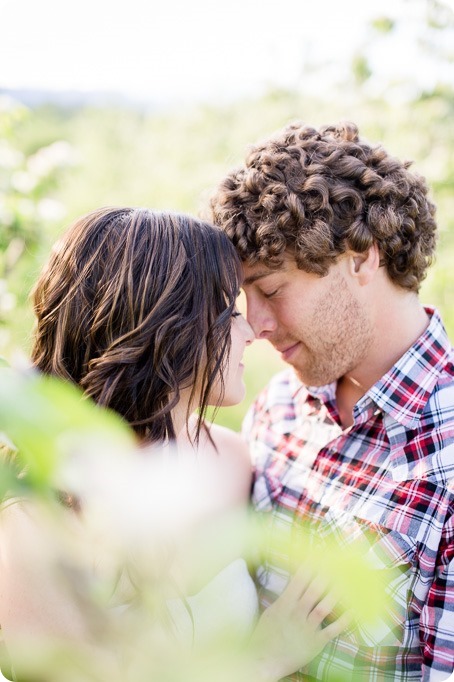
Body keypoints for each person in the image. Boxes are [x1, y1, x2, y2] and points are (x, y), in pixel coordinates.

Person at [0, 207, 348, 682]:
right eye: (228, 312)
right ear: (165, 328)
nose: (250, 333)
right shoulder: (33, 517)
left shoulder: (233, 460)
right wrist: (262, 661)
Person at [209, 121, 454, 681]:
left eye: (270, 291)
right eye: (244, 299)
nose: (258, 326)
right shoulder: (278, 408)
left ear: (362, 256)